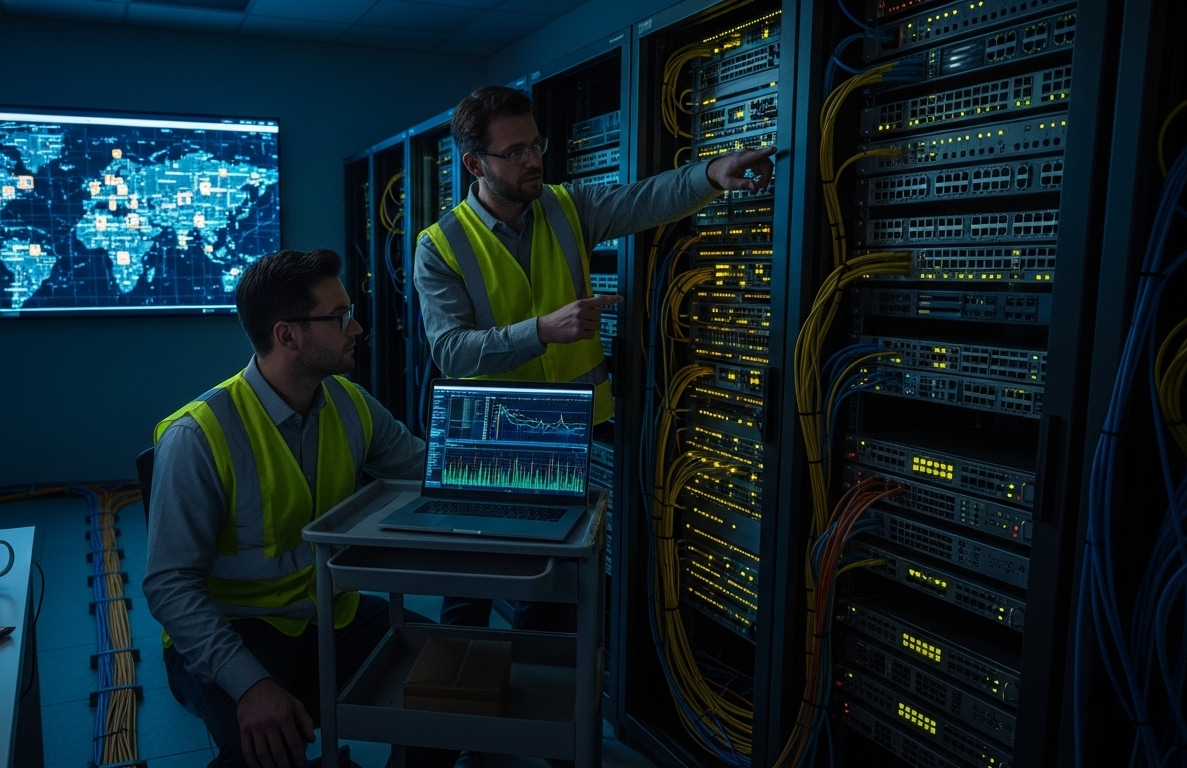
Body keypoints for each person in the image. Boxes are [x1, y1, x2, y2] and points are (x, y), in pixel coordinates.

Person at [413, 85, 776, 634]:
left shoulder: (565, 207)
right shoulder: (438, 245)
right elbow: (450, 352)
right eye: (515, 152)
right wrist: (543, 330)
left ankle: (538, 710)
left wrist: (712, 173)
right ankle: (459, 703)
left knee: (552, 589)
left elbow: (643, 198)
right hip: (482, 431)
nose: (534, 160)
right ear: (474, 163)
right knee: (473, 584)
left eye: (537, 144)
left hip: (562, 426)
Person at [144, 248, 451, 768]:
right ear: (287, 335)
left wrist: (525, 467)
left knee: (454, 679)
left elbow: (427, 468)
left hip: (331, 615)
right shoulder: (199, 435)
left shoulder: (349, 402)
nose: (357, 328)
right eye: (339, 317)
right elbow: (169, 586)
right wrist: (250, 685)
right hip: (239, 629)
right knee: (264, 749)